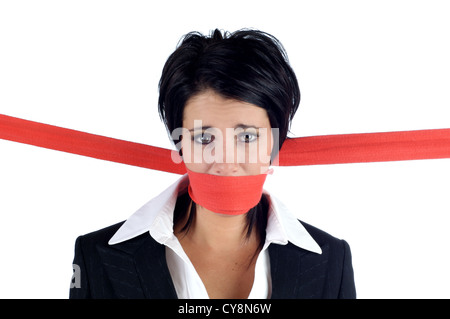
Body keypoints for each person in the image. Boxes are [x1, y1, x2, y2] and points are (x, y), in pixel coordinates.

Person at [69, 29, 356, 299]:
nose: (225, 162)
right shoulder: (96, 258)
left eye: (246, 136)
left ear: (273, 143)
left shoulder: (331, 261)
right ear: (180, 144)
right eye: (204, 138)